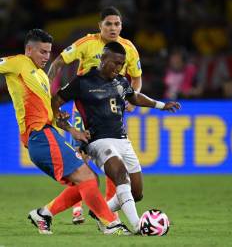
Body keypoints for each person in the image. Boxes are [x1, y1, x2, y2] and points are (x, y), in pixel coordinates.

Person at [0, 29, 130, 235]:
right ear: (28, 50)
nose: (46, 57)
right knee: (86, 177)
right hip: (39, 135)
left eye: (49, 52)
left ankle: (44, 214)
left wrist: (72, 130)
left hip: (48, 133)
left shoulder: (41, 76)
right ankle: (110, 223)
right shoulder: (17, 62)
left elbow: (49, 113)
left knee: (89, 179)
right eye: (42, 52)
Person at [52, 41, 181, 233]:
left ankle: (102, 212)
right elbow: (56, 101)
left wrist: (162, 105)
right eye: (115, 63)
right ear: (103, 59)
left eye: (122, 64)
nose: (119, 68)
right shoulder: (83, 81)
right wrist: (65, 123)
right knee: (120, 175)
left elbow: (134, 97)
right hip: (97, 141)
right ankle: (137, 225)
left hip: (122, 139)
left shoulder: (121, 81)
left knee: (136, 193)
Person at [48, 6, 143, 224]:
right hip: (85, 108)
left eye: (117, 24)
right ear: (99, 26)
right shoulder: (86, 43)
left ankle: (108, 208)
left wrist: (133, 98)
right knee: (82, 157)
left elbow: (136, 77)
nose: (113, 27)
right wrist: (47, 89)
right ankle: (78, 207)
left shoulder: (128, 48)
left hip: (111, 109)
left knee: (114, 160)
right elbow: (60, 62)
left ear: (121, 26)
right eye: (108, 24)